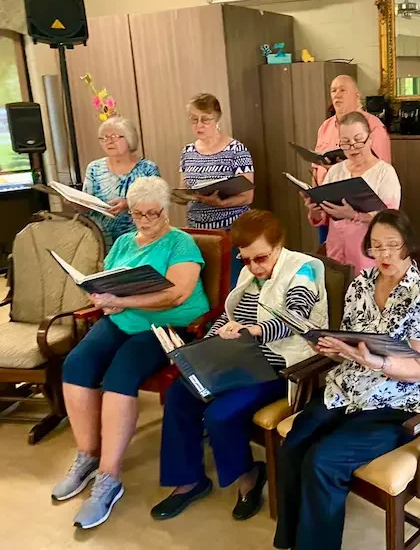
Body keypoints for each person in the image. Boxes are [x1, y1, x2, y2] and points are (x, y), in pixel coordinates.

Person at [273, 210, 420, 550]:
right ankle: (290, 541)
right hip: (348, 388)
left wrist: (374, 361)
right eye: (376, 246)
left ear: (408, 246)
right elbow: (351, 345)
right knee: (295, 444)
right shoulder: (361, 285)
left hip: (398, 403)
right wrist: (333, 348)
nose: (383, 255)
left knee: (324, 460)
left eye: (392, 246)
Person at [52, 176, 210, 529]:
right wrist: (100, 295)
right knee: (76, 364)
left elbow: (177, 295)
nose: (144, 220)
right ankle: (87, 456)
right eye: (138, 214)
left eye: (151, 214)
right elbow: (108, 280)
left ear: (165, 211)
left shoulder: (180, 243)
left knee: (120, 375)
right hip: (123, 319)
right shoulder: (123, 240)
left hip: (165, 326)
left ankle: (109, 477)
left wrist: (121, 301)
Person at [150, 209, 327, 522]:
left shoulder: (303, 271)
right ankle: (189, 479)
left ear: (279, 245)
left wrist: (254, 331)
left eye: (261, 258)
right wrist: (201, 347)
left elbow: (296, 319)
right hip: (242, 360)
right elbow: (231, 316)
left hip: (282, 368)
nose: (254, 267)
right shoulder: (250, 272)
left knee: (220, 414)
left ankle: (249, 475)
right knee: (180, 392)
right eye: (245, 260)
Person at [304, 111, 401, 274]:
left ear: (369, 139)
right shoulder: (335, 171)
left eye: (358, 141)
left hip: (368, 256)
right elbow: (325, 217)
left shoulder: (385, 173)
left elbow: (390, 221)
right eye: (346, 143)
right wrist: (315, 211)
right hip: (336, 252)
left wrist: (354, 216)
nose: (352, 147)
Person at [179, 92, 255, 288]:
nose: (199, 125)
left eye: (205, 120)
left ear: (217, 118)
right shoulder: (187, 152)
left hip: (230, 232)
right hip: (198, 233)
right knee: (204, 287)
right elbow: (183, 189)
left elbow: (247, 196)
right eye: (194, 120)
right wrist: (180, 195)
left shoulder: (237, 150)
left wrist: (222, 203)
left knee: (230, 287)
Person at [313, 75, 392, 245]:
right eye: (333, 90)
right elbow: (316, 165)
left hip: (362, 216)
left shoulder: (374, 127)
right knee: (332, 255)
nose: (337, 94)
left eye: (342, 90)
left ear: (356, 95)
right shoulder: (325, 127)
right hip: (327, 208)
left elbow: (380, 169)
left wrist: (355, 214)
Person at [79, 116, 159, 247]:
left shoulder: (148, 168)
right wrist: (76, 203)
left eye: (115, 136)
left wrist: (129, 203)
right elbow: (87, 206)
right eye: (104, 138)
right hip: (100, 239)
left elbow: (157, 205)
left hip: (139, 239)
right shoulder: (94, 168)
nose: (109, 142)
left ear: (129, 138)